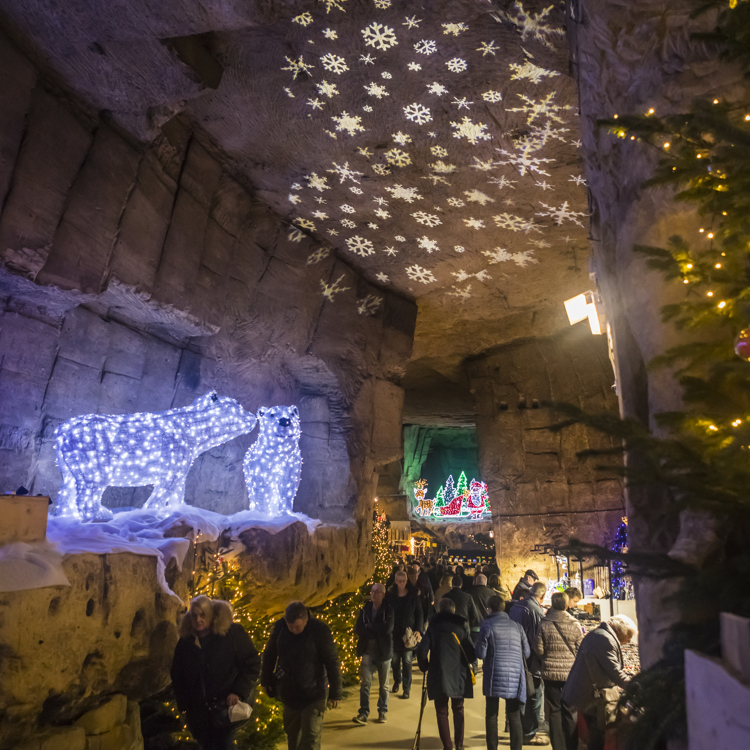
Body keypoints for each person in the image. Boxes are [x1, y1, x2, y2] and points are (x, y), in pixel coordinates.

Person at [171, 595, 261, 750]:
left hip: (225, 709)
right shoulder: (186, 642)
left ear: (211, 615)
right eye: (195, 615)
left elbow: (252, 664)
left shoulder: (231, 634)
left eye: (203, 615)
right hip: (199, 715)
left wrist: (238, 691)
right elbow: (177, 674)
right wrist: (184, 705)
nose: (198, 619)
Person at [261, 601, 342, 750]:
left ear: (306, 619)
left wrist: (335, 692)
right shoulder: (281, 627)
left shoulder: (319, 630)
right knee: (293, 736)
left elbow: (331, 661)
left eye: (297, 627)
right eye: (290, 626)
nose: (292, 630)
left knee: (311, 736)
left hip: (314, 692)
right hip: (289, 692)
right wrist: (266, 680)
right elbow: (270, 654)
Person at [562, 615, 637, 750]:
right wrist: (636, 687)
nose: (629, 640)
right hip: (589, 695)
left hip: (585, 692)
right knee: (596, 735)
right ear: (619, 630)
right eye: (628, 635)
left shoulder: (599, 635)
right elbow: (614, 672)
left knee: (593, 734)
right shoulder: (604, 639)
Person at [416, 598, 476, 750]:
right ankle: (460, 745)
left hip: (438, 673)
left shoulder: (433, 627)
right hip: (459, 673)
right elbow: (471, 653)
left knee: (441, 711)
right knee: (458, 708)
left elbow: (422, 650)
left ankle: (447, 746)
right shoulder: (462, 626)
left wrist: (425, 667)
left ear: (439, 610)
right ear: (454, 610)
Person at [474, 596, 530, 750]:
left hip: (493, 674)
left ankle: (492, 747)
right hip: (515, 675)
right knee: (513, 715)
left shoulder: (487, 625)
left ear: (489, 609)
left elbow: (481, 654)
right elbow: (527, 652)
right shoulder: (517, 626)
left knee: (492, 715)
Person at [535, 592, 583, 750]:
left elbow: (539, 649)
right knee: (570, 712)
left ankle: (558, 746)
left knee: (554, 712)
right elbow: (580, 651)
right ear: (566, 604)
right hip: (570, 674)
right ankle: (572, 745)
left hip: (550, 673)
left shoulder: (544, 623)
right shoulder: (575, 624)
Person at [509, 581, 548, 746]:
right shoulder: (535, 611)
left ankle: (518, 732)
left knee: (520, 695)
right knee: (535, 695)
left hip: (515, 655)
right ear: (542, 596)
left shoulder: (517, 606)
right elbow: (537, 639)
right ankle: (530, 733)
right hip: (529, 660)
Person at [353, 583, 394, 724]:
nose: (373, 594)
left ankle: (382, 711)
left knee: (383, 685)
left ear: (383, 594)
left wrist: (369, 627)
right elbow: (358, 628)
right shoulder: (365, 609)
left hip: (383, 652)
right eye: (372, 592)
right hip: (367, 651)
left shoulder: (388, 610)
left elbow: (387, 629)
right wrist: (375, 630)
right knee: (365, 683)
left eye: (377, 592)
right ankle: (363, 712)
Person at [388, 571, 424, 699]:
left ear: (406, 581)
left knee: (407, 661)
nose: (402, 583)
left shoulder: (413, 595)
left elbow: (419, 613)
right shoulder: (391, 596)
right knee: (395, 661)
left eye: (404, 581)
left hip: (408, 633)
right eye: (399, 581)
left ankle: (406, 688)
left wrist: (419, 630)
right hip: (395, 633)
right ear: (396, 581)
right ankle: (397, 680)